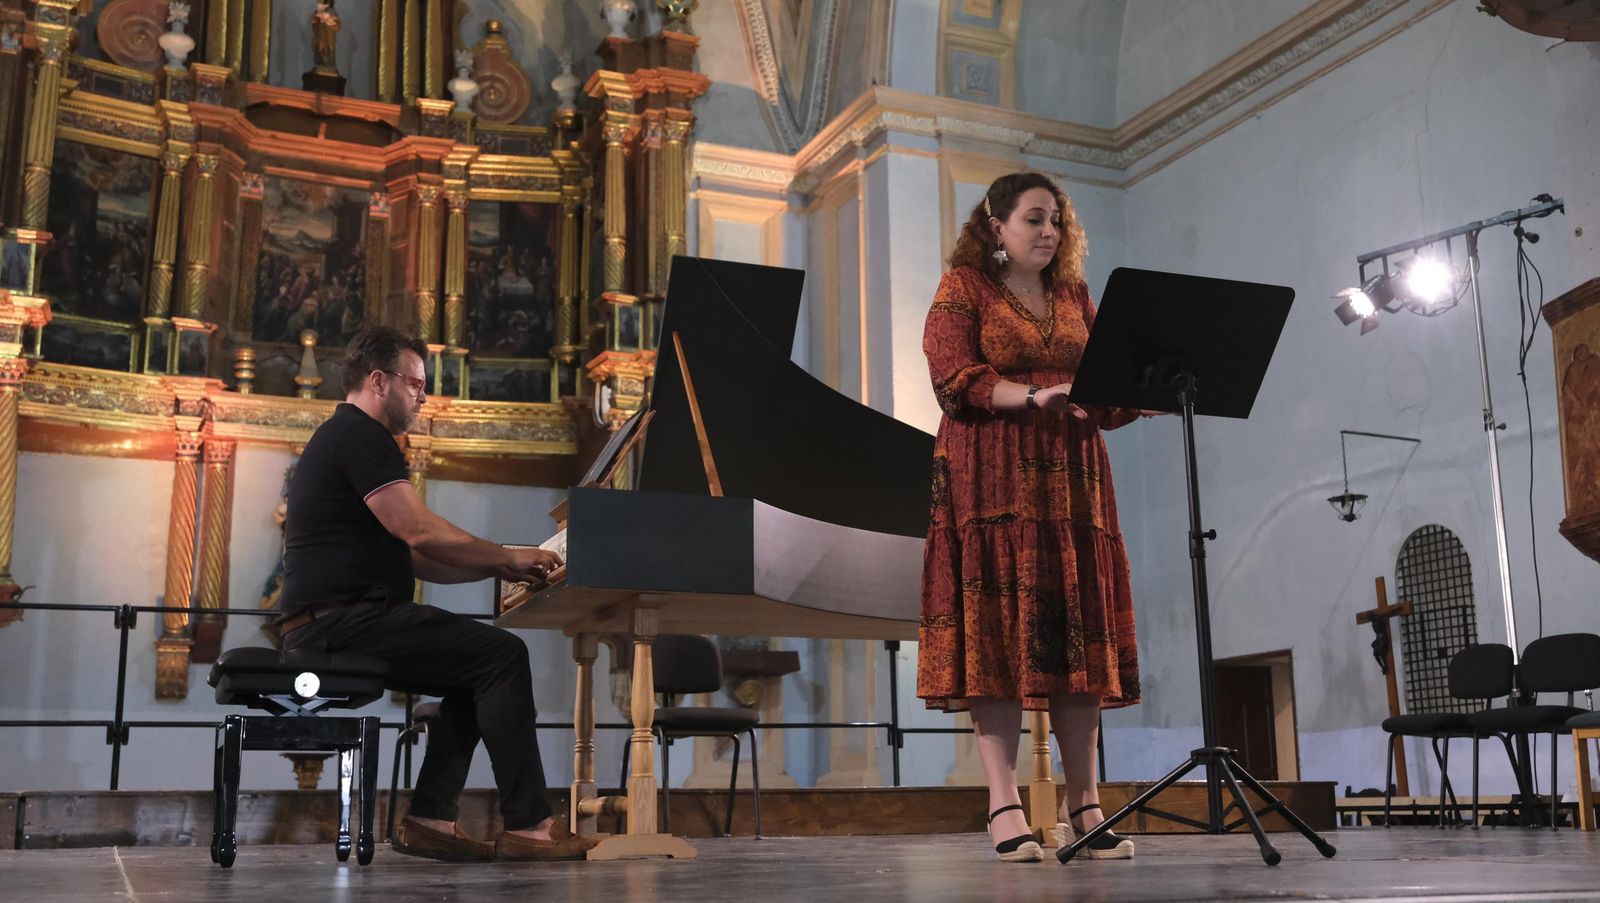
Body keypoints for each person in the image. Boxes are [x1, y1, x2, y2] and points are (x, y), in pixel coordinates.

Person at [276, 325, 596, 862]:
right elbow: (420, 531)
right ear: (378, 381)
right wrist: (509, 555)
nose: (424, 395)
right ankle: (530, 827)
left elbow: (419, 558)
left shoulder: (347, 436)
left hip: (336, 620)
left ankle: (432, 818)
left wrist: (500, 569)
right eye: (415, 382)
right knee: (502, 655)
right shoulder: (361, 435)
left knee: (477, 673)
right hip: (340, 624)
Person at [918, 172, 1144, 862]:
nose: (1049, 232)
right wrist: (1033, 395)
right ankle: (1004, 803)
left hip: (1074, 486)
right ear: (996, 226)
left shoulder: (1074, 293)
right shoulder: (964, 287)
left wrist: (1146, 388)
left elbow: (1106, 384)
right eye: (1035, 219)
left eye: (1057, 221)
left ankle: (1086, 803)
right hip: (990, 481)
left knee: (1077, 637)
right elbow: (953, 377)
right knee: (997, 637)